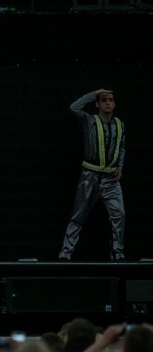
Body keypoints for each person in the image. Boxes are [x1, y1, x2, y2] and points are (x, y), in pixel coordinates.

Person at [58, 89, 125, 261]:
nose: (108, 103)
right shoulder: (90, 120)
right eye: (104, 100)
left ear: (114, 103)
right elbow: (74, 108)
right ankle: (65, 253)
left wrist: (120, 166)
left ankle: (118, 253)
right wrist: (94, 93)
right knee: (78, 215)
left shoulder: (119, 124)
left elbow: (121, 146)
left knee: (119, 215)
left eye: (110, 100)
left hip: (110, 179)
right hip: (90, 176)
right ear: (98, 104)